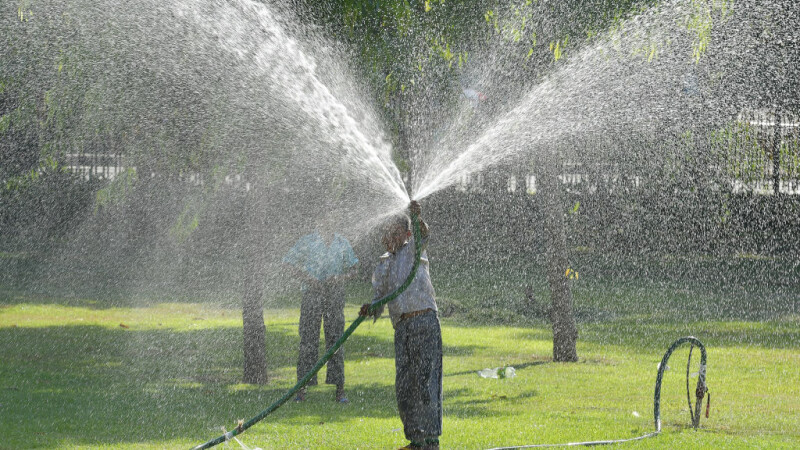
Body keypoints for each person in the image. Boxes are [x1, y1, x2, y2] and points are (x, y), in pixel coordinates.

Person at [360, 201, 441, 450]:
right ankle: (416, 441)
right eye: (387, 232)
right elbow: (380, 298)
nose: (389, 237)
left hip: (424, 322)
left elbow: (424, 233)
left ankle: (431, 441)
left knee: (426, 382)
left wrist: (417, 219)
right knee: (405, 386)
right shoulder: (384, 263)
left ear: (406, 235)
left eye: (395, 233)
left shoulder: (415, 248)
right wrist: (370, 308)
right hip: (402, 328)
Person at [283, 228, 358, 403]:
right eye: (325, 218)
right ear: (319, 221)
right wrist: (307, 278)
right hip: (312, 294)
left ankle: (340, 391)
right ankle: (301, 390)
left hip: (335, 295)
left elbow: (354, 269)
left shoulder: (342, 243)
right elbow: (287, 263)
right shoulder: (308, 241)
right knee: (308, 341)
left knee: (336, 340)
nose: (328, 222)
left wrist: (339, 278)